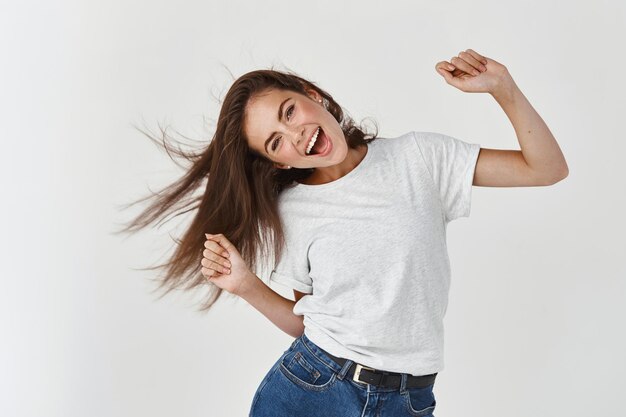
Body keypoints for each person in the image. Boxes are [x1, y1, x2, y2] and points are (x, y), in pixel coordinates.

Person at [120, 48, 569, 417]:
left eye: (289, 112)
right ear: (280, 163)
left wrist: (503, 89)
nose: (295, 134)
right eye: (275, 141)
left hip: (410, 400)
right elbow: (305, 324)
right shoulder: (291, 213)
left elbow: (546, 169)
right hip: (312, 391)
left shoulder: (420, 159)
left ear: (313, 95)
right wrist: (244, 285)